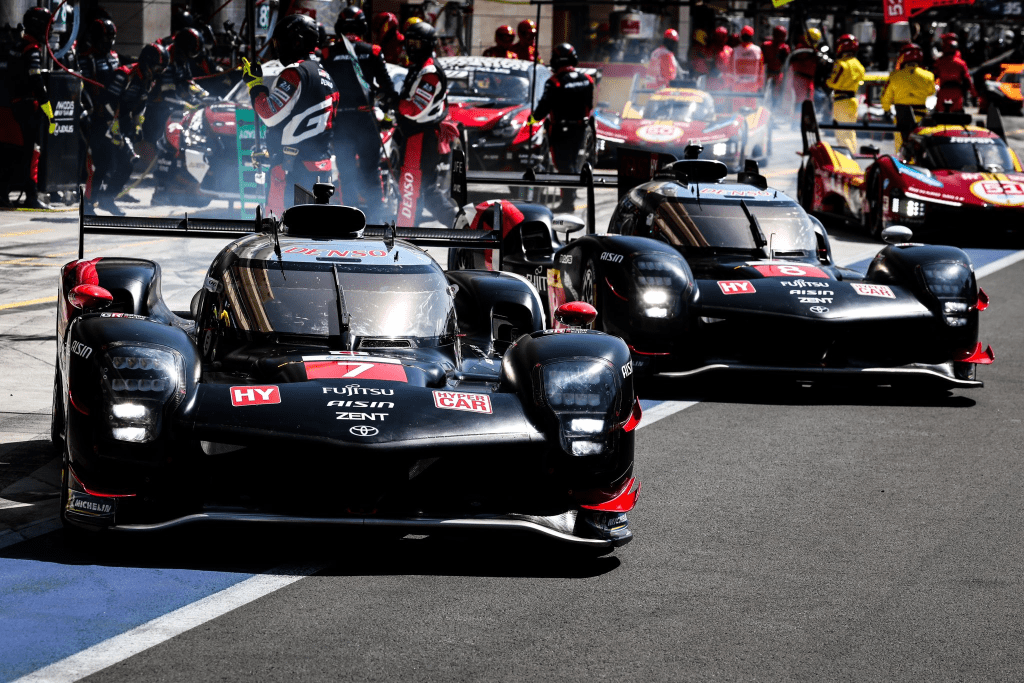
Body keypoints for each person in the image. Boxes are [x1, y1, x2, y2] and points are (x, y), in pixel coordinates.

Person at [242, 13, 338, 216]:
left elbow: (269, 115)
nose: (278, 48)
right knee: (315, 234)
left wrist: (255, 87)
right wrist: (271, 149)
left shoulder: (295, 73)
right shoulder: (327, 75)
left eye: (281, 42)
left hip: (293, 171)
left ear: (296, 42)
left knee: (284, 233)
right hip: (322, 170)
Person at [324, 7, 390, 220]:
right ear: (363, 26)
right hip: (366, 119)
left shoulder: (327, 53)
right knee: (371, 171)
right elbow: (388, 89)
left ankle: (347, 219)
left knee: (346, 173)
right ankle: (377, 220)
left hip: (341, 121)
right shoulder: (373, 51)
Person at [393, 21, 459, 226]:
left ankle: (408, 231)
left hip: (421, 136)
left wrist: (392, 100)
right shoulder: (418, 68)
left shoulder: (429, 72)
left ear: (428, 44)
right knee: (423, 189)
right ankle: (457, 224)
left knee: (412, 187)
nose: (411, 47)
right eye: (409, 42)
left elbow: (415, 109)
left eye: (417, 43)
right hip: (417, 135)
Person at [0, 7, 57, 209]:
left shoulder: (16, 46)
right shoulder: (31, 49)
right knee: (32, 152)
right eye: (48, 26)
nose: (50, 31)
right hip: (26, 108)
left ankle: (3, 193)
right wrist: (49, 112)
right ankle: (31, 197)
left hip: (9, 106)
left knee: (11, 152)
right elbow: (36, 82)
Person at [102, 42, 169, 204]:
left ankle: (108, 198)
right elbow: (107, 101)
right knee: (105, 164)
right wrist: (114, 124)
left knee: (127, 164)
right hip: (106, 121)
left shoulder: (148, 80)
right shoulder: (125, 75)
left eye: (161, 69)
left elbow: (141, 104)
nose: (158, 73)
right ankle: (96, 201)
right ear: (147, 64)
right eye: (157, 68)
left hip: (124, 123)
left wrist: (137, 125)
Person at [532, 43, 594, 212]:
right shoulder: (587, 80)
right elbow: (589, 106)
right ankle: (570, 197)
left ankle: (567, 203)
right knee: (572, 164)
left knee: (563, 166)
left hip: (559, 130)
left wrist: (534, 117)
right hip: (580, 129)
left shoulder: (554, 82)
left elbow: (540, 112)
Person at [79, 19, 127, 214]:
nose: (108, 42)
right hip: (97, 117)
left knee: (121, 160)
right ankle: (89, 202)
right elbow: (84, 88)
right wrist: (88, 112)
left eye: (111, 38)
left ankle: (108, 198)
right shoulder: (86, 58)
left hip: (115, 117)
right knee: (100, 161)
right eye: (104, 38)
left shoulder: (115, 57)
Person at [881, 43, 935, 152]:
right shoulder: (929, 76)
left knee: (901, 149)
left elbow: (885, 97)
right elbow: (931, 93)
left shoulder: (894, 76)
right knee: (919, 149)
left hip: (901, 120)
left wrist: (886, 110)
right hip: (921, 119)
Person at [826, 33, 866, 154]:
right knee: (850, 132)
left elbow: (833, 82)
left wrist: (826, 80)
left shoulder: (840, 64)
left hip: (841, 101)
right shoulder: (859, 65)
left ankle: (847, 159)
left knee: (842, 134)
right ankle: (853, 155)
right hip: (853, 101)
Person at [933, 35, 976, 112]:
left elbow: (933, 78)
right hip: (956, 93)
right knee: (957, 115)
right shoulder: (961, 63)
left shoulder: (939, 62)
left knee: (939, 115)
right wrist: (973, 94)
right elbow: (967, 80)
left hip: (943, 92)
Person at [789, 28, 821, 119]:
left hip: (807, 79)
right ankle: (798, 123)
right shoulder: (801, 47)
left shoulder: (812, 49)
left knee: (807, 101)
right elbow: (801, 57)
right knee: (801, 102)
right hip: (801, 79)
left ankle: (802, 121)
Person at [762, 26, 790, 109]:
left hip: (777, 74)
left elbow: (785, 62)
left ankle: (772, 112)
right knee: (766, 95)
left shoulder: (784, 48)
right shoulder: (767, 45)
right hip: (768, 73)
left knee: (776, 96)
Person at [731, 26, 764, 92]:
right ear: (751, 36)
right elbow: (761, 69)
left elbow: (730, 69)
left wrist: (729, 85)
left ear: (741, 36)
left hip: (738, 87)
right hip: (752, 87)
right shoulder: (758, 50)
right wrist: (760, 85)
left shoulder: (735, 50)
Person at [706, 26, 733, 91]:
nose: (721, 39)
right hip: (713, 83)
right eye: (719, 36)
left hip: (726, 83)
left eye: (723, 36)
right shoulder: (710, 50)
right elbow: (707, 66)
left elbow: (732, 67)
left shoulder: (729, 50)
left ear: (726, 37)